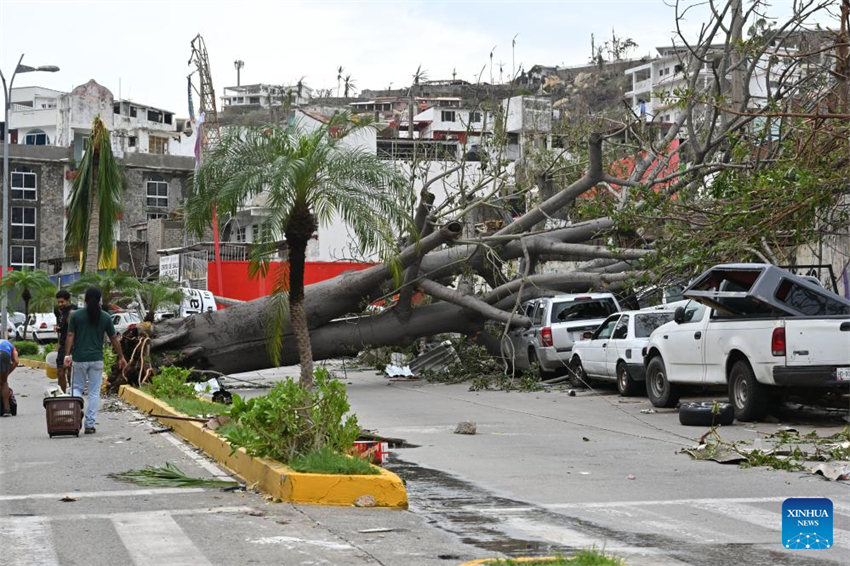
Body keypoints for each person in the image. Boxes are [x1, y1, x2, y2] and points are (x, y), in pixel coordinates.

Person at [64, 287, 127, 434]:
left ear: (85, 299)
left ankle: (76, 415)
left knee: (77, 389)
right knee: (93, 393)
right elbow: (113, 338)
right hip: (97, 359)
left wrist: (67, 355)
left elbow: (70, 335)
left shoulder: (76, 316)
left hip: (79, 359)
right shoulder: (105, 317)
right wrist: (121, 357)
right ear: (100, 300)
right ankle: (90, 425)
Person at [54, 289, 76, 393]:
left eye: (62, 302)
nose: (60, 304)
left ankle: (70, 393)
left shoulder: (72, 312)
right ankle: (63, 395)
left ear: (68, 300)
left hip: (69, 346)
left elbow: (72, 332)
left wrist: (68, 351)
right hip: (63, 345)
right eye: (58, 302)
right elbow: (66, 330)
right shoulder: (62, 312)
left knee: (66, 371)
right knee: (62, 371)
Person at [0, 339, 19, 417]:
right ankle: (7, 410)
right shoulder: (12, 347)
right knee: (4, 382)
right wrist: (6, 375)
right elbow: (16, 361)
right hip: (4, 355)